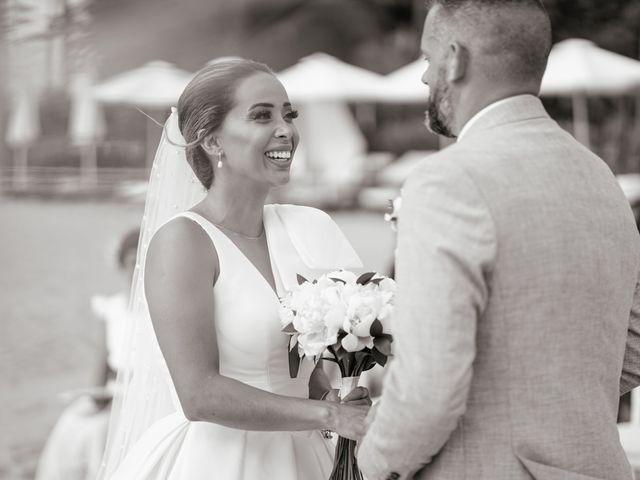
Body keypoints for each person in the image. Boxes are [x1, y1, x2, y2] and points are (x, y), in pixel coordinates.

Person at [357, 1, 640, 479]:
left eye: (427, 60)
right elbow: (631, 342)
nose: (425, 79)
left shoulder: (448, 180)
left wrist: (372, 464)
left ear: (455, 58)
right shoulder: (600, 176)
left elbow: (428, 386)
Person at [98, 58, 371, 480]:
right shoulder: (183, 242)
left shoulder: (310, 227)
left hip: (306, 457)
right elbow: (198, 394)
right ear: (212, 142)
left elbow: (301, 368)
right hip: (218, 462)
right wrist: (326, 415)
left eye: (289, 114)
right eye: (262, 115)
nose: (286, 130)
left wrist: (336, 395)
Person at [34, 228, 139, 480]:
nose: (136, 271)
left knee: (100, 432)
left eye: (142, 263)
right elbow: (101, 360)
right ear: (121, 265)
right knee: (73, 423)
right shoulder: (110, 308)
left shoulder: (158, 310)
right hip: (112, 391)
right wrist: (96, 397)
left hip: (140, 394)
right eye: (131, 263)